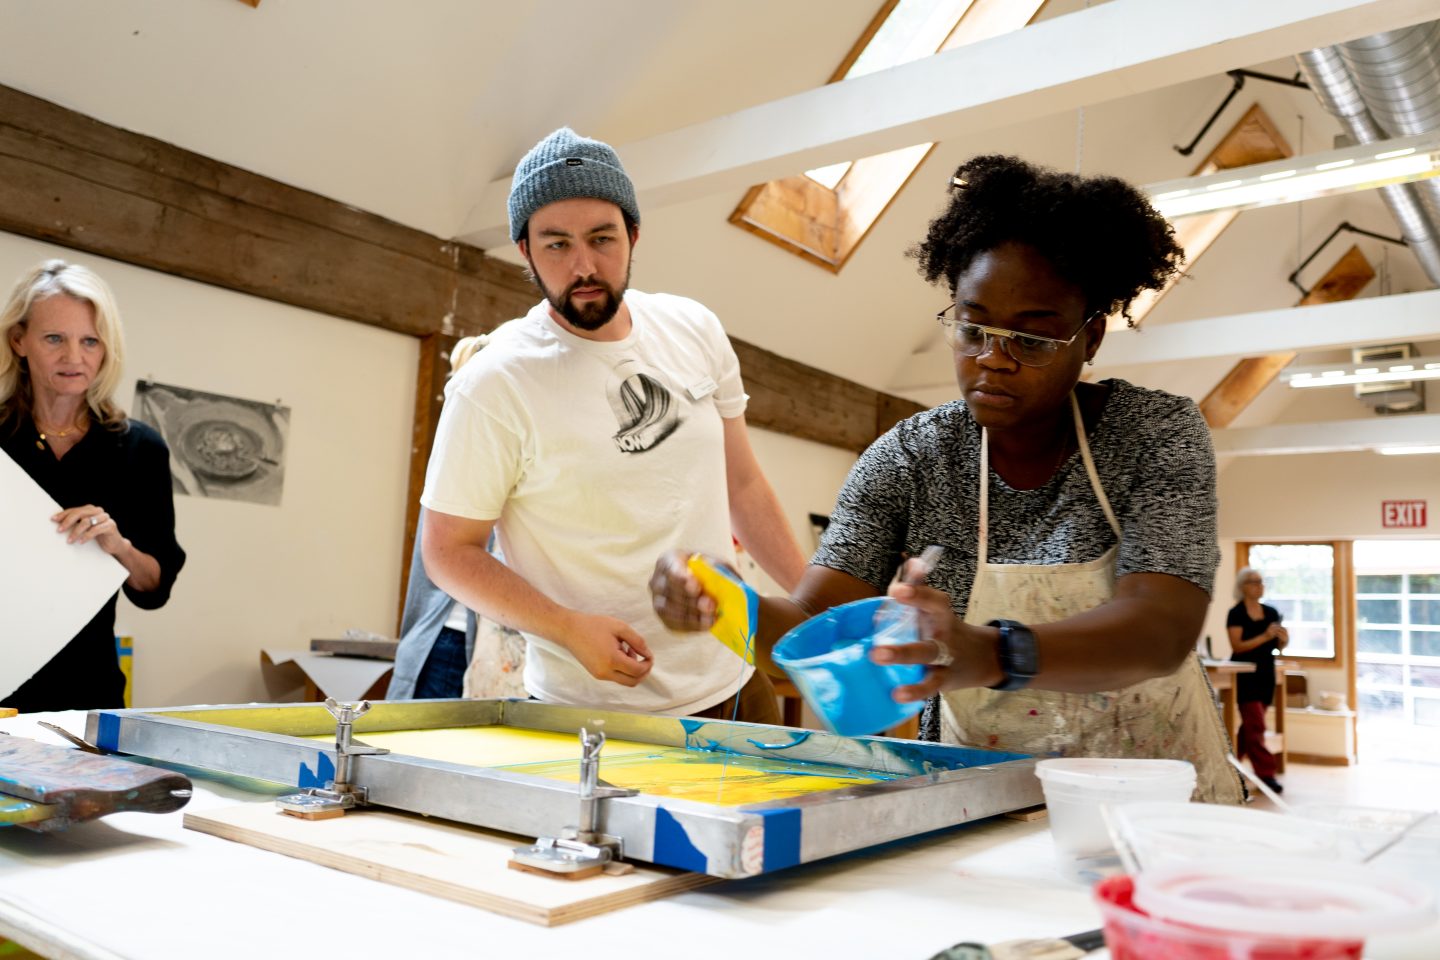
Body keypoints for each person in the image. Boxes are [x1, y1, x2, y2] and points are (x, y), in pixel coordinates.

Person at [652, 155, 1243, 803]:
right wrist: (724, 606)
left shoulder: (1152, 434)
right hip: (985, 799)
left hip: (1157, 796)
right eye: (973, 327)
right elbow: (810, 629)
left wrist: (991, 653)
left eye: (1032, 339)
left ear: (1090, 336)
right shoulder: (910, 459)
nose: (994, 359)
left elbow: (1159, 631)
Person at [419, 128, 807, 721]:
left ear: (633, 234)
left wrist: (815, 606)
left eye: (602, 239)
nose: (584, 266)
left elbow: (743, 485)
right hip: (592, 706)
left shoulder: (695, 330)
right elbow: (448, 551)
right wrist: (567, 628)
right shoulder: (495, 384)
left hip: (736, 681)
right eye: (557, 245)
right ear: (524, 249)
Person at [1, 259, 185, 711]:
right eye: (54, 339)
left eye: (89, 341)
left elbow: (154, 588)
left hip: (86, 692)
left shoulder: (140, 449)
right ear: (19, 341)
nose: (74, 358)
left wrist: (117, 544)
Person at [1226, 566, 1287, 793]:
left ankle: (1228, 764)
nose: (1259, 585)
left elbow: (1277, 647)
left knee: (1249, 729)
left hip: (1265, 673)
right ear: (1243, 586)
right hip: (1244, 674)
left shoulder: (1271, 612)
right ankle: (1266, 775)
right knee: (1257, 725)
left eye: (1261, 581)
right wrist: (1265, 635)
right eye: (1254, 581)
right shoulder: (1236, 613)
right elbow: (1238, 646)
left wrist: (1282, 639)